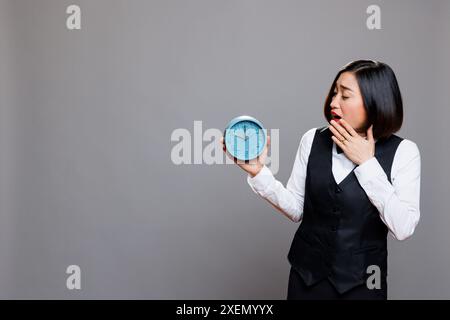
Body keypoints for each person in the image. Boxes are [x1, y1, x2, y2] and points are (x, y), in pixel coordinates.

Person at [220, 60, 421, 300]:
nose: (333, 102)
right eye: (335, 92)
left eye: (345, 96)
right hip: (306, 280)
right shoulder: (312, 139)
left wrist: (367, 164)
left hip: (364, 285)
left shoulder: (404, 152)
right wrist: (258, 172)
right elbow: (296, 208)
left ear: (374, 102)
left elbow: (403, 227)